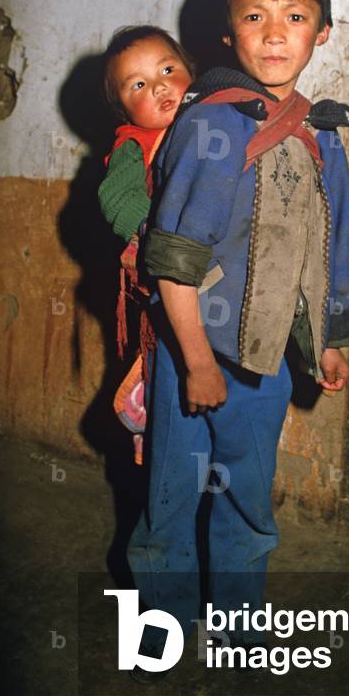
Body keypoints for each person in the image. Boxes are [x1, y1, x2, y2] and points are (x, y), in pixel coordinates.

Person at [128, 0, 349, 663]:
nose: (273, 32)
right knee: (172, 492)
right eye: (254, 15)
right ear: (228, 32)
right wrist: (196, 363)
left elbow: (336, 254)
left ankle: (236, 622)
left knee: (246, 496)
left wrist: (330, 339)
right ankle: (161, 630)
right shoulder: (210, 125)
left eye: (294, 15)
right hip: (192, 353)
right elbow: (171, 264)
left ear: (322, 31)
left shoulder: (325, 139)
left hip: (263, 364)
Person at [98, 26, 194, 461]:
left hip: (220, 285)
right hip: (166, 279)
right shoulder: (134, 147)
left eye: (168, 69)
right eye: (138, 84)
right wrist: (156, 231)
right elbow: (116, 199)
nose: (159, 86)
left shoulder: (215, 124)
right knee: (168, 376)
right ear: (123, 110)